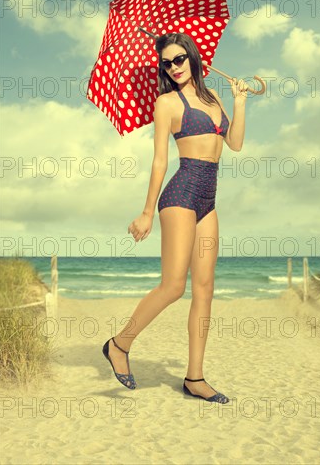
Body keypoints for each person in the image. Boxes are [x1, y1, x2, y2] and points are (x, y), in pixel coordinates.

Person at [102, 32, 248, 404]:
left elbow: (234, 143)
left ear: (193, 57)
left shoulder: (214, 98)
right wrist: (147, 210)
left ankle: (195, 378)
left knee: (205, 289)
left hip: (208, 199)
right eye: (166, 63)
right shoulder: (167, 102)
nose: (174, 67)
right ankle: (119, 344)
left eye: (179, 59)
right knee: (173, 286)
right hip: (180, 193)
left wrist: (240, 100)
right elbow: (159, 161)